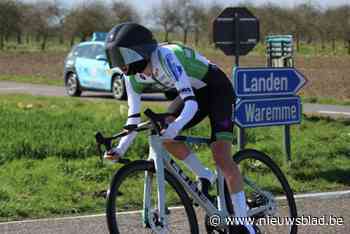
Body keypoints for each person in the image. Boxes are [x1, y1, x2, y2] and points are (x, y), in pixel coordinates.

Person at [104, 22, 257, 234]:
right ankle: (205, 176)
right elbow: (133, 118)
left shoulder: (166, 56)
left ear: (138, 52)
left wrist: (175, 128)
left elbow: (191, 104)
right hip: (193, 93)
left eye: (122, 58)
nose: (120, 66)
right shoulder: (131, 77)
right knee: (163, 134)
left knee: (221, 154)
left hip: (216, 88)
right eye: (115, 59)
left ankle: (245, 224)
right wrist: (120, 149)